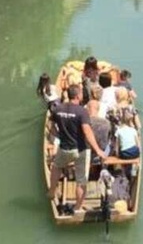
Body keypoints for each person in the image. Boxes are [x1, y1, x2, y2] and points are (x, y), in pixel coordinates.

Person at [47, 85, 108, 213]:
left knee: (56, 166)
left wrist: (59, 136)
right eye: (81, 93)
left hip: (64, 148)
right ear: (77, 96)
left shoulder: (58, 109)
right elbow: (87, 132)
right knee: (81, 180)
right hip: (81, 150)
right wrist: (98, 150)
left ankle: (52, 192)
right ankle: (77, 207)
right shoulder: (82, 111)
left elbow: (50, 125)